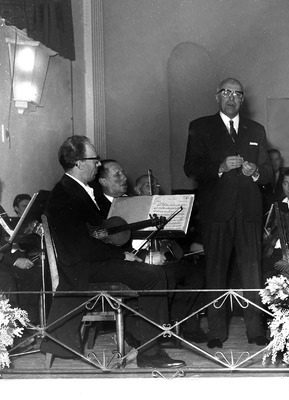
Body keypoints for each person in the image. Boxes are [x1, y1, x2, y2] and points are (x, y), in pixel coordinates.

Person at [39, 135, 185, 368]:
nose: (98, 164)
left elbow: (98, 234)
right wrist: (121, 255)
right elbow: (79, 246)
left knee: (155, 270)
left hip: (93, 262)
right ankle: (150, 353)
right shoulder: (64, 195)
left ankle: (142, 339)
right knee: (154, 276)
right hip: (82, 268)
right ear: (79, 163)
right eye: (94, 159)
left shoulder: (79, 190)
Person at [184, 77, 272, 349]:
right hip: (216, 212)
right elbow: (191, 168)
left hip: (249, 212)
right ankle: (216, 332)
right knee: (216, 273)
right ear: (217, 96)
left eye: (237, 94)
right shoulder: (200, 127)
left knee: (252, 274)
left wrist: (256, 172)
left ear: (243, 99)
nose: (231, 97)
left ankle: (255, 330)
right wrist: (219, 167)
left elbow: (269, 171)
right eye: (226, 92)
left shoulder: (256, 129)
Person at [131, 173, 207, 343]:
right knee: (168, 276)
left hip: (165, 258)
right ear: (137, 190)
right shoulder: (133, 209)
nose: (153, 189)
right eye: (148, 186)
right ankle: (164, 326)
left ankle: (186, 326)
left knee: (196, 276)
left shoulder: (162, 208)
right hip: (142, 260)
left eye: (156, 186)